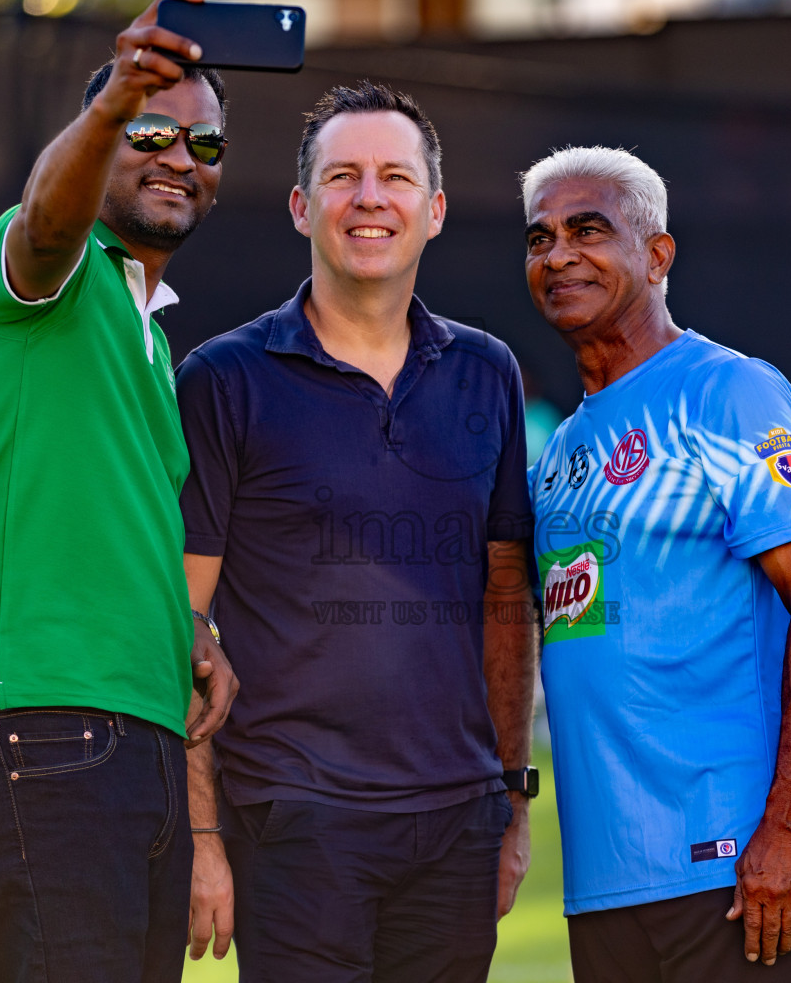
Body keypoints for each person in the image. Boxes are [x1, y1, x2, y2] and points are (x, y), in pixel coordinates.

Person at [175, 81, 538, 981]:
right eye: (342, 176)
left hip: (457, 826)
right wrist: (202, 836)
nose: (369, 198)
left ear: (436, 208)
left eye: (394, 177)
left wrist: (512, 803)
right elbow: (179, 624)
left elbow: (507, 603)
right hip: (293, 824)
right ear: (302, 207)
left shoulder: (487, 373)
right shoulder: (225, 379)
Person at [0, 0, 238, 983]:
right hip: (40, 738)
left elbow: (110, 523)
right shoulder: (39, 270)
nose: (180, 156)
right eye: (152, 128)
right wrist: (112, 106)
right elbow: (47, 222)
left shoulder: (150, 335)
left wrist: (190, 631)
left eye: (206, 145)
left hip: (133, 744)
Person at [520, 145, 791, 981]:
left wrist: (788, 829)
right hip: (604, 886)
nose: (559, 254)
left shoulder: (727, 393)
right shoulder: (559, 449)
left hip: (735, 870)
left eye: (588, 230)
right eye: (539, 238)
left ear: (657, 255)